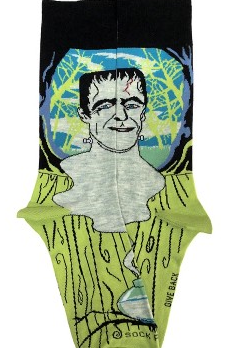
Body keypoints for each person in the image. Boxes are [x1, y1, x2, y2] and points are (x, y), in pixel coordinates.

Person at [53, 68, 165, 232]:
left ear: (143, 113)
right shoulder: (59, 177)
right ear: (85, 115)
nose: (121, 115)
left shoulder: (159, 183)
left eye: (132, 105)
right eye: (105, 106)